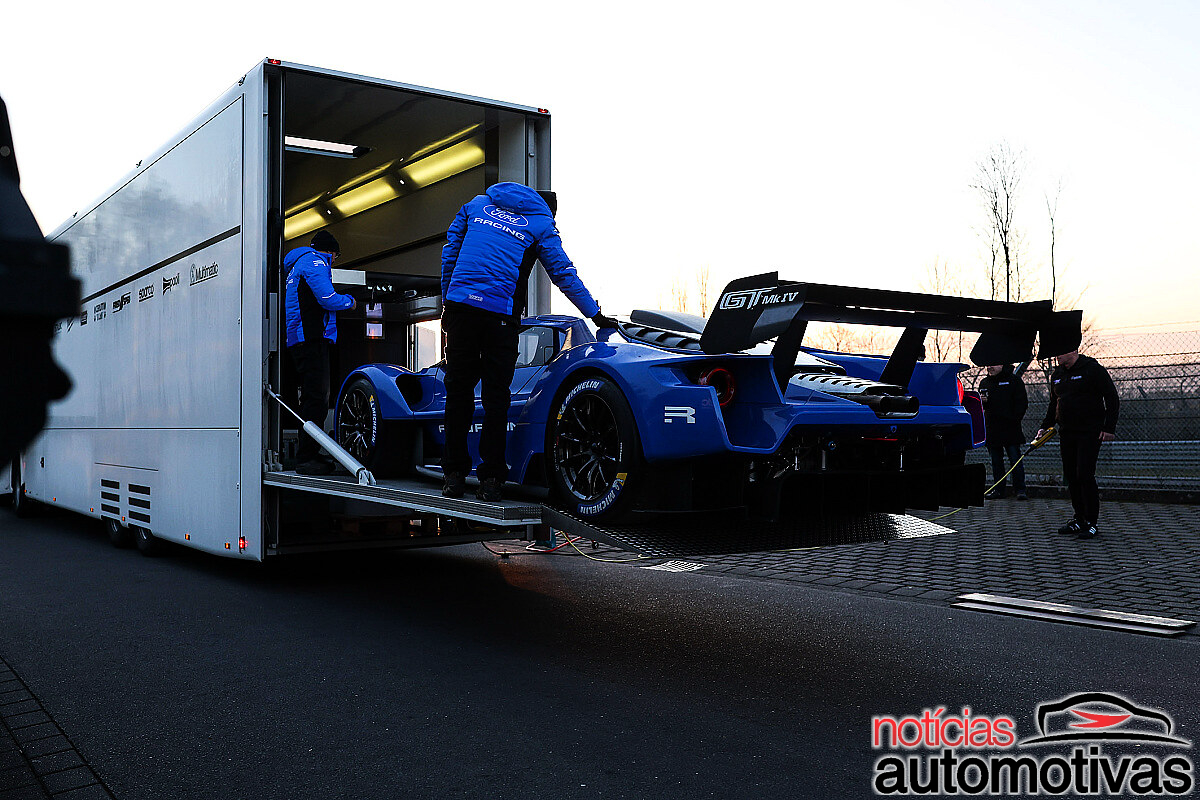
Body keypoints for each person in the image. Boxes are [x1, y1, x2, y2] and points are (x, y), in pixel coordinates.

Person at [440, 183, 616, 501]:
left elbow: (450, 252)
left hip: (460, 308)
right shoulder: (541, 224)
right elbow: (563, 274)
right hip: (500, 315)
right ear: (550, 212)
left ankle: (453, 476)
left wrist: (447, 302)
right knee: (496, 398)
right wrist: (596, 315)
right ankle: (491, 480)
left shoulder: (476, 204)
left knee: (458, 392)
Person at [284, 230, 356, 475]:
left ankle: (310, 453)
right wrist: (350, 301)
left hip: (302, 339)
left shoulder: (299, 263)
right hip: (311, 339)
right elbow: (327, 298)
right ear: (331, 252)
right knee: (317, 399)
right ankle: (307, 458)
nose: (334, 261)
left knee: (311, 398)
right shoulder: (314, 262)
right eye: (336, 256)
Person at [1035, 349, 1119, 540]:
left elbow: (1112, 398)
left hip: (1090, 432)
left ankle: (1091, 522)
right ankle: (1079, 518)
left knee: (1084, 474)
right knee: (1071, 476)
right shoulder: (1057, 374)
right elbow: (1054, 403)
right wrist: (1046, 426)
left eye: (1060, 350)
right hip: (1067, 432)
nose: (1056, 355)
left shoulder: (1092, 369)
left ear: (1073, 350)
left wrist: (1109, 427)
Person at [979, 364, 1028, 500]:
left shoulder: (1014, 381)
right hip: (993, 429)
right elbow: (983, 406)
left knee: (1015, 460)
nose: (990, 367)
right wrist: (983, 402)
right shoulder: (985, 383)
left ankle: (1020, 490)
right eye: (988, 365)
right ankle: (999, 490)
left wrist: (1014, 419)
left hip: (1011, 428)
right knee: (996, 461)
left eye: (993, 364)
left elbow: (1022, 403)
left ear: (1002, 364)